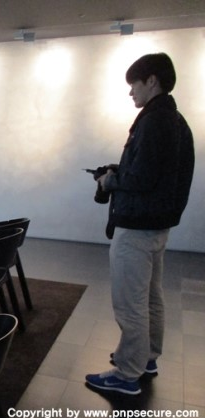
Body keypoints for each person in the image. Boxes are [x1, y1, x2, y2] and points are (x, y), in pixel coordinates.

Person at [85, 53, 194, 395]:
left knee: (130, 302)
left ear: (151, 81)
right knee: (150, 297)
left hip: (136, 227)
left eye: (134, 83)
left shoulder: (153, 121)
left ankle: (127, 373)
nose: (130, 91)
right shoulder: (176, 121)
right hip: (157, 225)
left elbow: (143, 178)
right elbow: (158, 174)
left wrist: (110, 180)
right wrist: (120, 172)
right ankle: (147, 358)